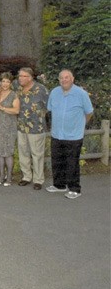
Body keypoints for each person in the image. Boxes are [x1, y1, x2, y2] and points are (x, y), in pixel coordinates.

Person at [46, 70, 93, 199]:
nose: (64, 80)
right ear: (59, 79)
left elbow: (89, 112)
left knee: (72, 163)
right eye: (61, 78)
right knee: (57, 160)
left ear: (72, 79)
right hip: (57, 134)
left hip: (74, 136)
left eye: (67, 77)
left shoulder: (81, 94)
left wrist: (80, 125)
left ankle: (74, 189)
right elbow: (49, 109)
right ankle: (59, 185)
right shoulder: (54, 92)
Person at [16, 67, 49, 190]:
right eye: (19, 76)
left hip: (36, 127)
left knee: (37, 154)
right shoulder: (18, 88)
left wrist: (40, 115)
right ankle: (26, 177)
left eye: (23, 76)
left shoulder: (41, 89)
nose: (20, 78)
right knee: (23, 152)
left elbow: (49, 106)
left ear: (30, 77)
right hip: (21, 126)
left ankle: (38, 179)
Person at [0, 72, 19, 186]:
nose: (5, 84)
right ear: (0, 82)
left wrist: (2, 107)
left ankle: (9, 177)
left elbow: (16, 110)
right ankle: (1, 176)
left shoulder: (13, 95)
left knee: (7, 152)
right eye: (3, 81)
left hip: (9, 126)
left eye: (7, 81)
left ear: (11, 83)